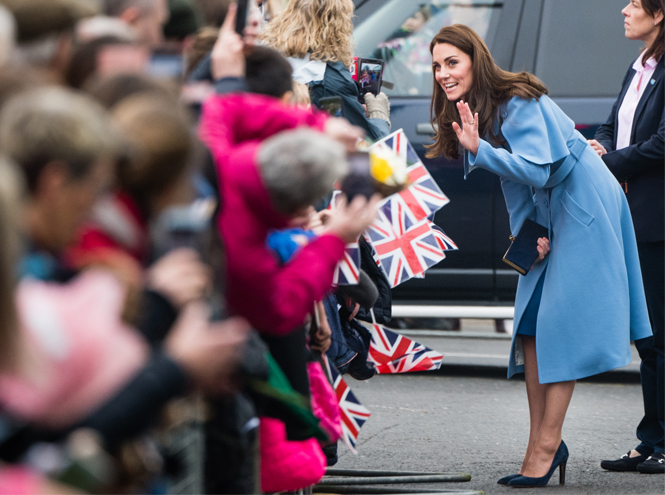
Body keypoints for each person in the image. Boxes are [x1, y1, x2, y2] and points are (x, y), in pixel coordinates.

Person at [427, 24, 652, 487]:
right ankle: (543, 444)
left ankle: (546, 447)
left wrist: (483, 152)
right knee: (530, 325)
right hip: (552, 209)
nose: (443, 74)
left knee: (558, 328)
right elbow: (521, 184)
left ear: (475, 59)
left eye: (452, 62)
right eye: (436, 66)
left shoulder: (516, 98)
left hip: (583, 203)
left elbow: (542, 171)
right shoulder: (480, 109)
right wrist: (528, 236)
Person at [591, 0, 665, 475]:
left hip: (658, 218)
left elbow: (661, 143)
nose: (624, 9)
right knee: (648, 336)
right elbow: (615, 123)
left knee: (660, 334)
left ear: (660, 13)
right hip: (633, 216)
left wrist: (609, 162)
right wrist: (597, 143)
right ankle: (650, 437)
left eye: (635, 3)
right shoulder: (638, 67)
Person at [260, 0, 391, 140]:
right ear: (337, 26)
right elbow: (371, 143)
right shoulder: (329, 78)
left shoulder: (267, 56)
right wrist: (378, 113)